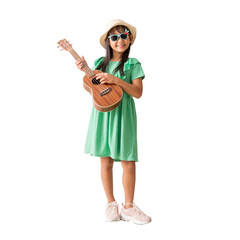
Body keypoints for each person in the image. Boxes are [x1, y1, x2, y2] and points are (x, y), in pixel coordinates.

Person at [75, 19, 151, 225]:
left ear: (130, 39)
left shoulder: (133, 64)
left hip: (124, 115)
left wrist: (116, 80)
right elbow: (92, 87)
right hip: (102, 114)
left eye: (124, 36)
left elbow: (138, 93)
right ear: (108, 42)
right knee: (105, 159)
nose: (120, 40)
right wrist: (86, 70)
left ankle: (128, 206)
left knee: (128, 159)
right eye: (115, 37)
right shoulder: (100, 62)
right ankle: (111, 204)